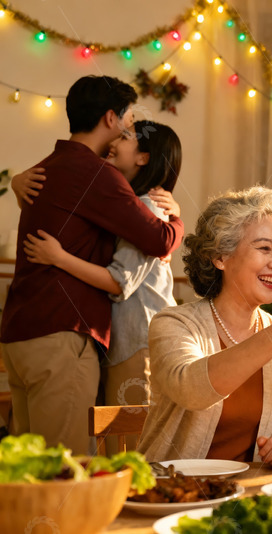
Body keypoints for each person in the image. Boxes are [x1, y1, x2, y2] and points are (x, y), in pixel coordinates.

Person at [0, 76, 184, 454]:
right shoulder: (99, 176)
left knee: (28, 469)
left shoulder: (47, 167)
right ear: (110, 118)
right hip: (61, 334)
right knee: (66, 469)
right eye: (129, 120)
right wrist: (177, 220)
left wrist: (18, 181)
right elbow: (160, 240)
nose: (128, 130)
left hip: (19, 333)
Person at [137, 186, 272, 466]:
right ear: (220, 257)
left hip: (252, 498)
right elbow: (192, 391)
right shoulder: (174, 323)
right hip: (174, 495)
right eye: (264, 248)